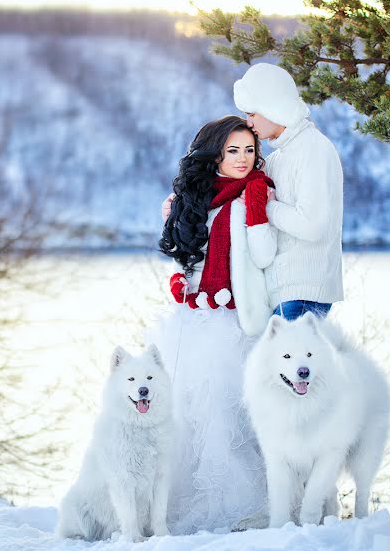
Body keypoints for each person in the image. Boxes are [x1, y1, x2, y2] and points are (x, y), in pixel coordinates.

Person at [148, 115, 275, 535]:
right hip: (193, 317)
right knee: (187, 413)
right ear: (214, 155)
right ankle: (178, 508)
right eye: (232, 151)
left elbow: (264, 256)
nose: (243, 159)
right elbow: (189, 258)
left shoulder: (256, 191)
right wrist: (181, 280)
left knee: (228, 413)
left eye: (249, 150)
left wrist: (256, 205)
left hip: (236, 320)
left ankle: (239, 508)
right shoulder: (194, 198)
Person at [233, 62, 344, 320]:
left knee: (288, 362)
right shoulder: (278, 158)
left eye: (252, 113)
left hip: (304, 293)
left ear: (272, 107)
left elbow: (313, 225)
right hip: (282, 292)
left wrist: (267, 208)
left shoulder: (313, 149)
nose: (248, 123)